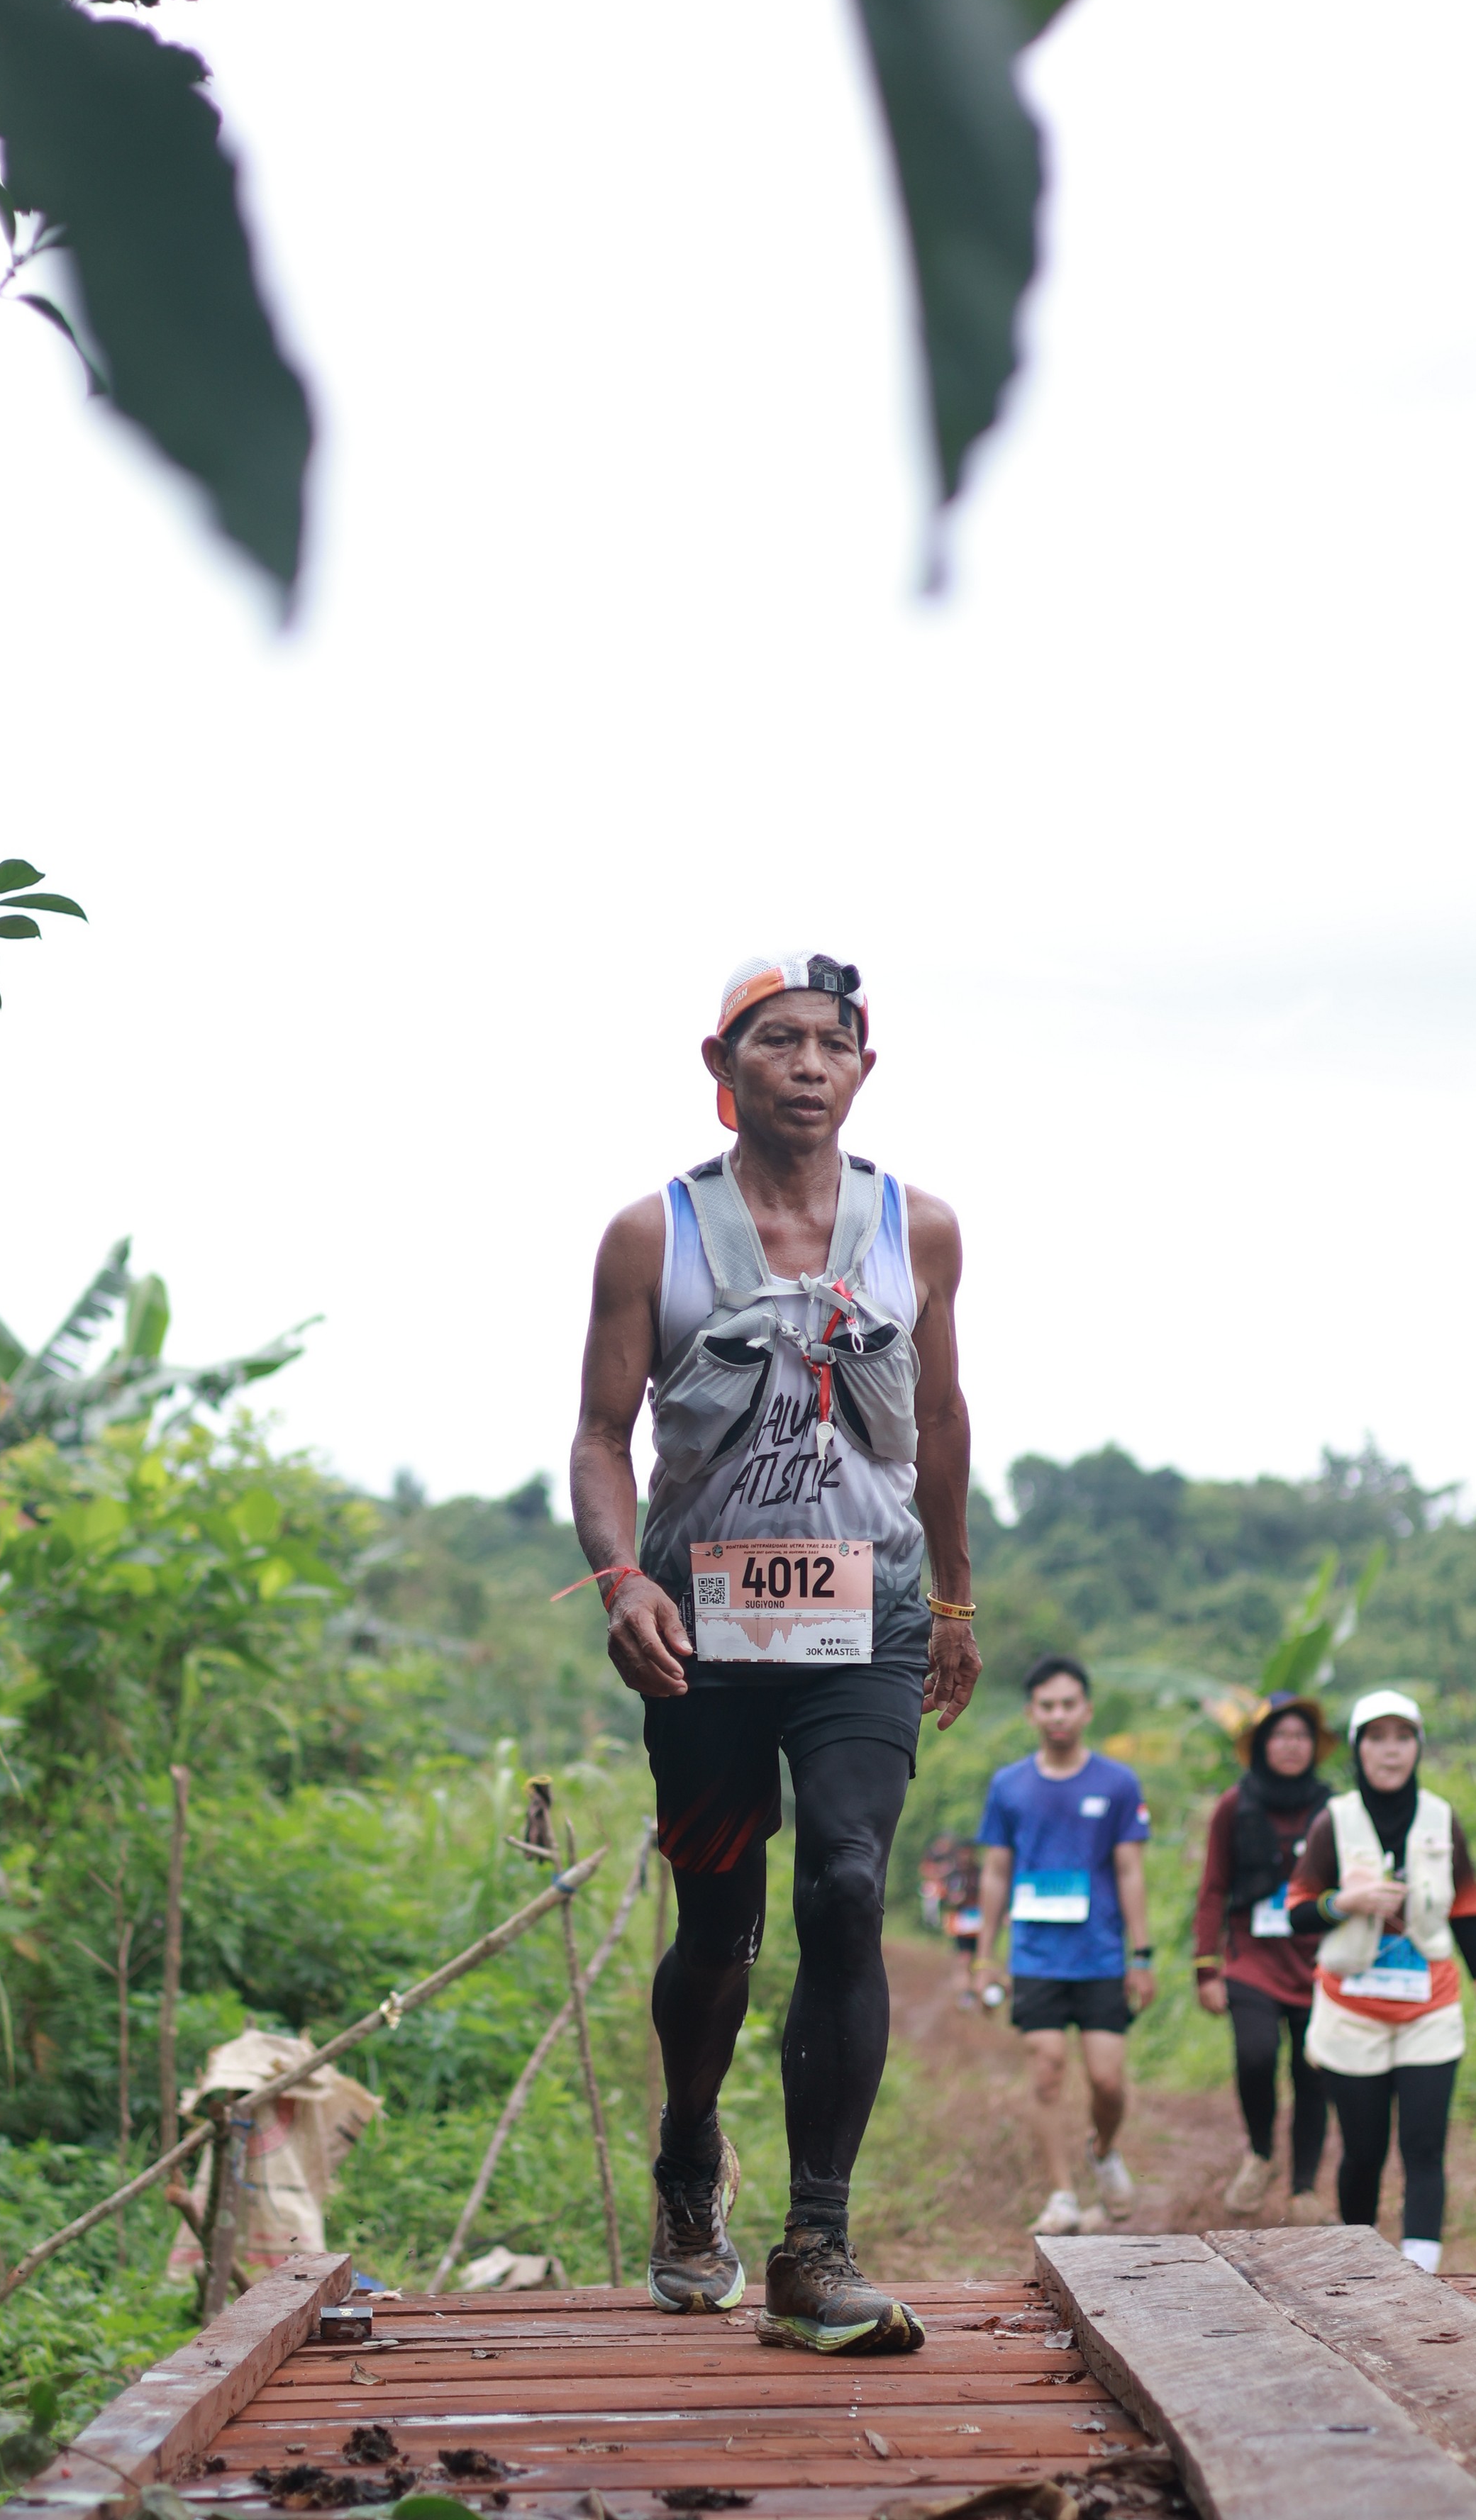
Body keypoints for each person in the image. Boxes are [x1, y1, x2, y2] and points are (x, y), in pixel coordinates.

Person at [570, 951, 981, 2354]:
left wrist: (957, 1603)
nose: (808, 1065)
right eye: (777, 1042)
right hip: (706, 1632)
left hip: (870, 1618)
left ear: (864, 1068)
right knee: (718, 1925)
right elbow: (600, 1434)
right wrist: (621, 1580)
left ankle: (818, 2245)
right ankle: (691, 2156)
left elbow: (943, 1418)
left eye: (831, 1044)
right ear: (721, 1064)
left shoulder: (919, 1231)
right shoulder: (654, 1236)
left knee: (849, 1884)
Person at [1287, 1688, 1476, 2273]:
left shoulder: (1441, 1818)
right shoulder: (1334, 1821)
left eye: (1403, 1737)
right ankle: (1361, 2271)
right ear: (1358, 1749)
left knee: (1424, 2148)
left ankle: (1420, 2278)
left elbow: (1467, 1913)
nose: (1391, 1751)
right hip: (1352, 2013)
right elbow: (1298, 1912)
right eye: (1377, 1738)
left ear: (1418, 1746)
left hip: (1429, 2011)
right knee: (1363, 2153)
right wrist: (1346, 1901)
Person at [975, 1655, 1155, 2236]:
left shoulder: (1118, 1783)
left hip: (1100, 1955)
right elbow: (996, 1872)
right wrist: (984, 1955)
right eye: (1047, 1705)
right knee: (1047, 2070)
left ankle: (1102, 2150)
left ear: (1087, 1710)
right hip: (1036, 1955)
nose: (1058, 1715)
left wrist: (1142, 1954)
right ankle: (1062, 2195)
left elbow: (1130, 1872)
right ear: (1032, 1713)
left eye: (1068, 1704)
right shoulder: (1009, 1786)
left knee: (1107, 2080)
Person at [1194, 1691, 1336, 2220]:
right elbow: (1214, 1887)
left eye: (1301, 1736)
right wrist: (1206, 1967)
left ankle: (1304, 2189)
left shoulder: (1335, 1809)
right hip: (1251, 1957)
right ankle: (1260, 2153)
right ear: (1261, 1746)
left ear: (1314, 1746)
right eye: (1280, 1736)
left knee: (1313, 2070)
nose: (1292, 1746)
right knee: (1256, 2055)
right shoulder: (1235, 1806)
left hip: (1319, 1961)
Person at [919, 1834, 984, 2008]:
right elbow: (943, 1895)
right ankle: (966, 1993)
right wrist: (953, 1899)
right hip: (961, 1923)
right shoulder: (952, 1874)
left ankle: (975, 1989)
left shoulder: (980, 1873)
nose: (966, 1857)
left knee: (977, 1959)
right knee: (964, 1958)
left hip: (979, 1923)